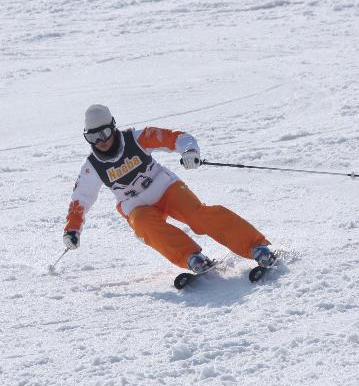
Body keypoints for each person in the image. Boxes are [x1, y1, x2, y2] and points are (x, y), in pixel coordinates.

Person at [63, 104, 275, 274]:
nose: (100, 141)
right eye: (93, 137)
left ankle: (256, 246)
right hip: (134, 205)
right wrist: (72, 229)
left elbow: (176, 137)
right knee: (143, 225)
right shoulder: (92, 167)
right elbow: (81, 198)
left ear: (113, 127)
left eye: (105, 133)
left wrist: (189, 151)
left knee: (198, 215)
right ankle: (191, 257)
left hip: (164, 187)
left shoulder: (136, 138)